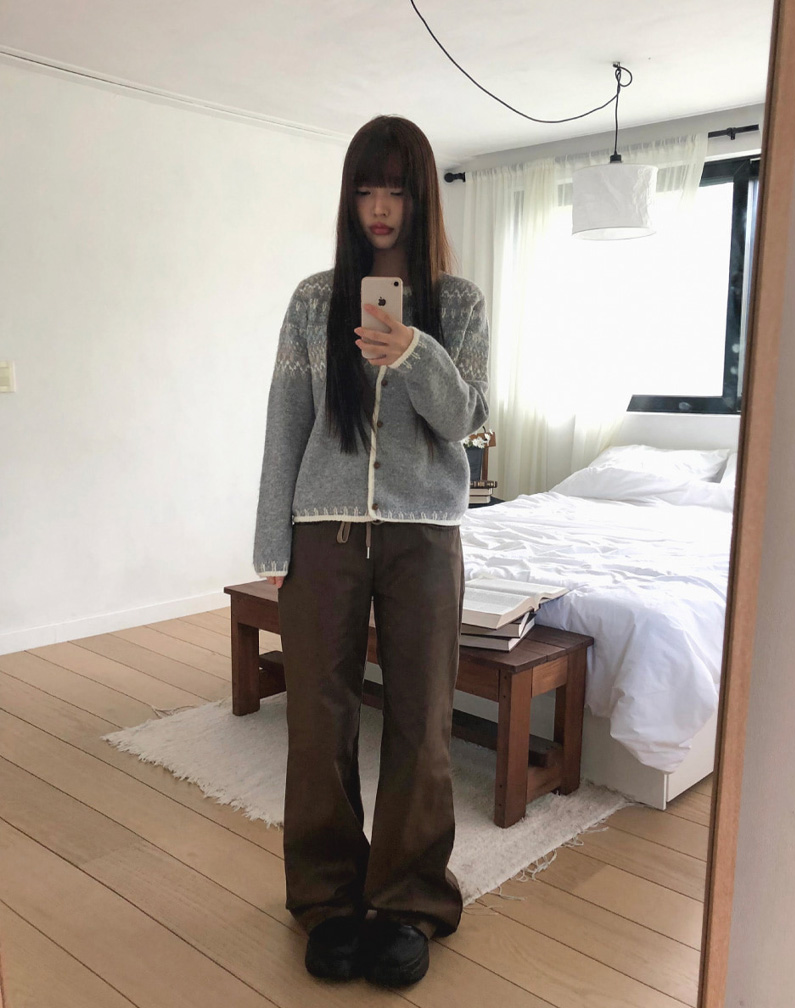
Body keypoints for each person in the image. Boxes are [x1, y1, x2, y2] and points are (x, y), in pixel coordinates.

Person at [253, 114, 489, 987]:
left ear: (421, 198)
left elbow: (465, 421)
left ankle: (408, 902)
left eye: (395, 189)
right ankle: (326, 899)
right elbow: (287, 421)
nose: (380, 207)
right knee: (318, 718)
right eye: (365, 189)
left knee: (423, 719)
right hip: (325, 530)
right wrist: (271, 534)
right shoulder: (315, 300)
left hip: (425, 534)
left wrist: (415, 351)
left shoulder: (458, 305)